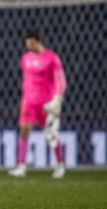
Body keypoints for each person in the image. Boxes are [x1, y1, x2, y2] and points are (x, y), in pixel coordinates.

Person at [8, 30, 67, 179]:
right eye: (27, 43)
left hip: (46, 103)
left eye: (31, 43)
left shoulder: (52, 58)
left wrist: (58, 98)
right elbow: (26, 80)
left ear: (39, 41)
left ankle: (60, 165)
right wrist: (23, 99)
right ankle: (21, 166)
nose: (29, 46)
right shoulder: (25, 58)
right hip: (29, 102)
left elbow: (60, 80)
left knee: (51, 134)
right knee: (24, 131)